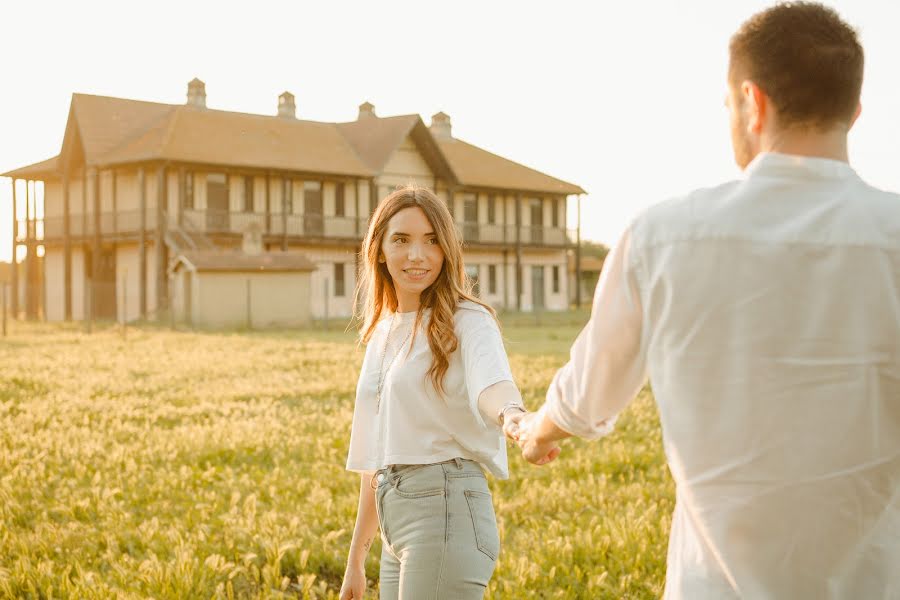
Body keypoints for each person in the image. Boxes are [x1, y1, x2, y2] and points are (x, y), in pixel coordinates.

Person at [505, 3, 900, 598]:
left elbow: (587, 394)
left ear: (751, 102)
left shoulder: (663, 236)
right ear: (855, 112)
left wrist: (538, 430)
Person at [339, 186, 528, 599]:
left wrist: (513, 415)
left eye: (431, 241)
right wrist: (356, 559)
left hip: (446, 511)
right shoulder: (383, 334)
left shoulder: (468, 319)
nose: (417, 255)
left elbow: (492, 383)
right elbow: (376, 456)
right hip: (396, 521)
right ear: (380, 251)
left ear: (446, 251)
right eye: (402, 240)